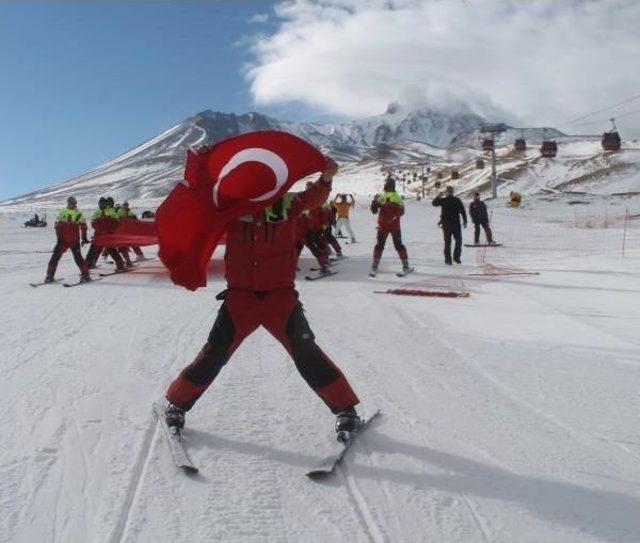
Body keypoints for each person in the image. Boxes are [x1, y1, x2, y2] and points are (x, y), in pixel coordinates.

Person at [163, 154, 362, 437]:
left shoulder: (288, 204)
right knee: (213, 354)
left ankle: (345, 410)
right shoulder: (232, 206)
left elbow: (314, 198)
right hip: (240, 300)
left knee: (307, 354)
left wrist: (327, 177)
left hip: (280, 299)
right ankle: (177, 405)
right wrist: (200, 162)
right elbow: (202, 197)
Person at [45, 196, 91, 283]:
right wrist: (58, 238)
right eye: (72, 203)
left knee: (78, 258)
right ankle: (49, 276)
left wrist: (84, 238)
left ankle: (86, 275)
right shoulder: (62, 212)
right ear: (68, 203)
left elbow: (84, 227)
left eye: (75, 203)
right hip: (63, 240)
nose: (74, 205)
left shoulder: (79, 213)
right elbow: (57, 225)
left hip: (74, 240)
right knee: (55, 257)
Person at [370, 177, 410, 274]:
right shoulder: (383, 197)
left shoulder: (396, 197)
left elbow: (401, 211)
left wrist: (394, 217)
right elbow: (374, 210)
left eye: (387, 185)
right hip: (386, 226)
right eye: (386, 185)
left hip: (392, 226)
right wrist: (374, 203)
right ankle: (375, 264)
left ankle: (405, 264)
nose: (386, 187)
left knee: (396, 245)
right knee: (382, 245)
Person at [85, 197, 127, 271]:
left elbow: (117, 222)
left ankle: (120, 265)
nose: (101, 204)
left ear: (106, 204)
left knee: (111, 249)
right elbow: (93, 223)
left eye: (103, 203)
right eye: (100, 203)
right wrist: (100, 230)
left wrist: (110, 230)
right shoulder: (97, 212)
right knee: (92, 250)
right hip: (98, 234)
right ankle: (86, 267)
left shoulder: (110, 211)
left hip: (108, 234)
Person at [432, 186, 467, 264]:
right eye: (449, 191)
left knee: (459, 241)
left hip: (456, 224)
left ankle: (456, 257)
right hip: (447, 224)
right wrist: (438, 196)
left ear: (453, 192)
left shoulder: (457, 200)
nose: (450, 192)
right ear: (446, 192)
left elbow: (462, 211)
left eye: (451, 191)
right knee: (448, 242)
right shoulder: (444, 200)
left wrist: (465, 221)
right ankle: (448, 259)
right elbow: (434, 203)